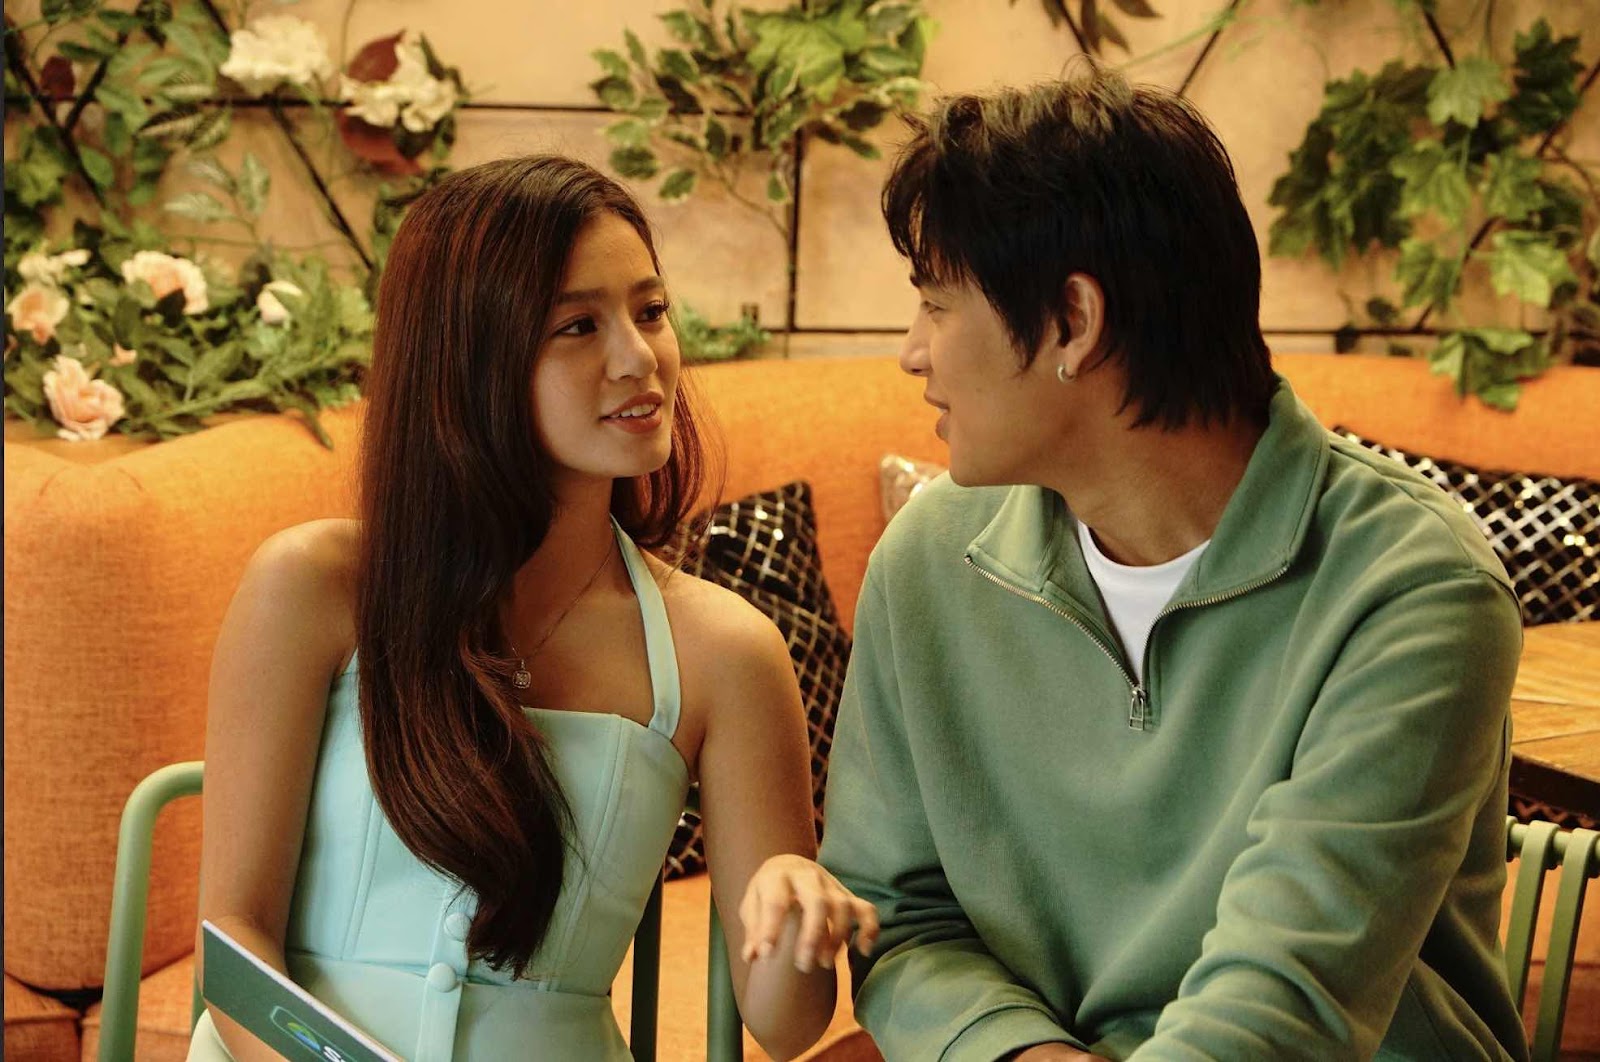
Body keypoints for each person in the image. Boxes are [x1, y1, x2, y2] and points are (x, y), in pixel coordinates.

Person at [817, 67, 1529, 1062]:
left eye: (936, 305)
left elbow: (1286, 1009)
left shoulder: (1412, 589)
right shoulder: (928, 563)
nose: (911, 353)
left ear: (1072, 322)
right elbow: (901, 920)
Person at [190, 155, 877, 1062]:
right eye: (578, 326)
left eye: (651, 311)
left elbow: (785, 1026)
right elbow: (234, 936)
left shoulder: (726, 652)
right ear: (467, 362)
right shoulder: (312, 586)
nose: (639, 358)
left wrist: (795, 900)